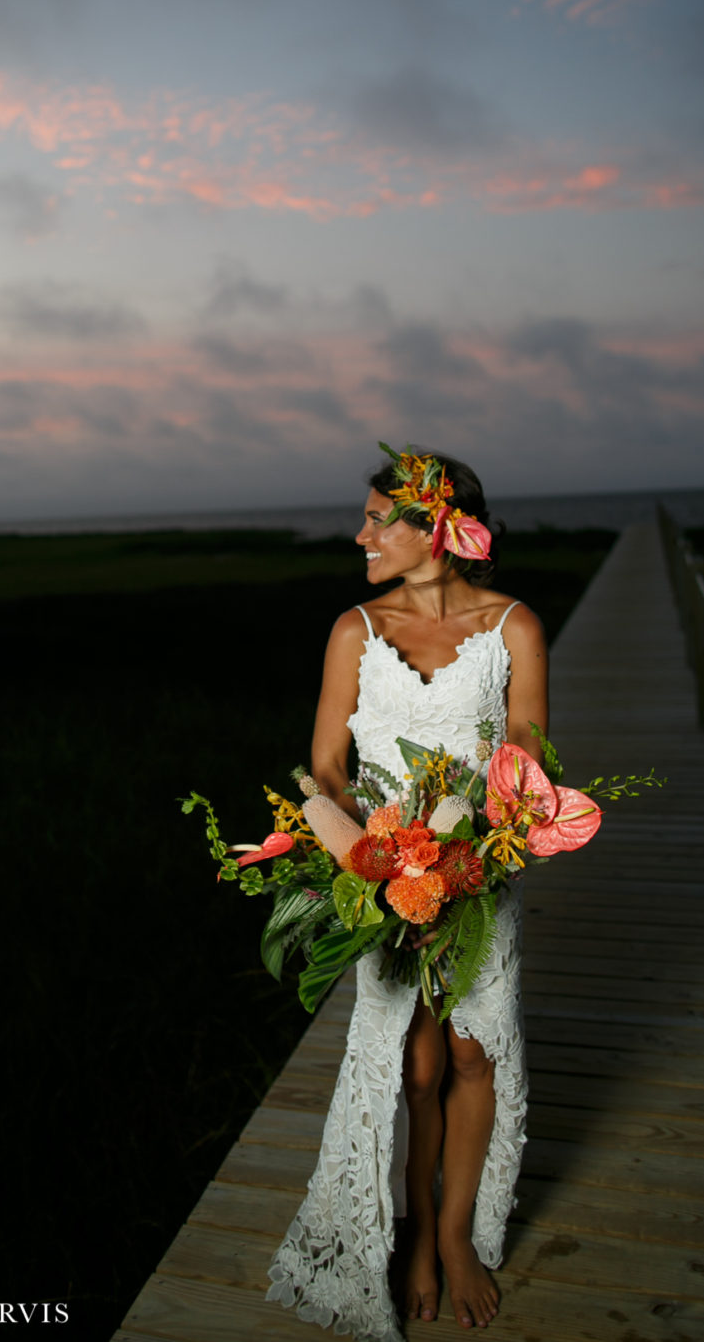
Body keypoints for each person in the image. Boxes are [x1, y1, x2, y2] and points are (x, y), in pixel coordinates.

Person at [267, 447, 548, 1339]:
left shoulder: (514, 628)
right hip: (384, 879)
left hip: (477, 876)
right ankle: (418, 1231)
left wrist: (467, 863)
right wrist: (372, 862)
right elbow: (324, 766)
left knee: (472, 1056)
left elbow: (526, 765)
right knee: (416, 1068)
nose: (361, 535)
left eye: (376, 519)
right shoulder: (354, 630)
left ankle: (457, 1234)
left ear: (435, 528)